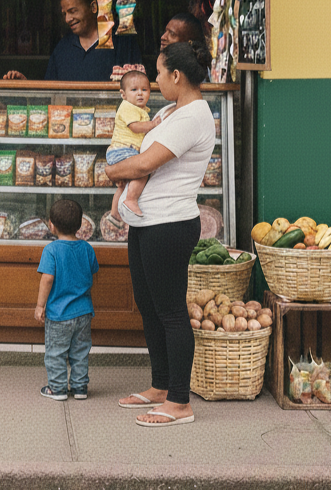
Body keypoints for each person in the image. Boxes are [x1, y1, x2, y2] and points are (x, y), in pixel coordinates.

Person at [105, 41, 215, 427]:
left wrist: (112, 171)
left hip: (169, 224)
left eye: (159, 73)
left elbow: (144, 163)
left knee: (170, 311)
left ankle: (180, 402)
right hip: (147, 222)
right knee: (149, 306)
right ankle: (160, 386)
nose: (155, 80)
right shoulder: (170, 111)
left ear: (177, 76)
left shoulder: (193, 117)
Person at [35, 199, 99, 401]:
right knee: (80, 352)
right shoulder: (87, 248)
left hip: (59, 314)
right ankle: (80, 388)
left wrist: (40, 305)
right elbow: (92, 274)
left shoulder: (51, 250)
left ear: (51, 225)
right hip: (83, 312)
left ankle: (57, 388)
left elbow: (47, 279)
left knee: (56, 352)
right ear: (80, 225)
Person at [3, 0, 142, 81]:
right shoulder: (62, 48)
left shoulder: (122, 41)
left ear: (93, 7)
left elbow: (138, 88)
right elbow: (49, 93)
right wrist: (26, 86)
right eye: (64, 14)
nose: (67, 19)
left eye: (73, 11)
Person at [106, 70, 161, 224]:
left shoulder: (139, 109)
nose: (140, 93)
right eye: (134, 90)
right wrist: (153, 124)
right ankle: (131, 199)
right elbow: (135, 127)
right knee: (142, 172)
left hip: (123, 151)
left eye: (144, 89)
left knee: (122, 186)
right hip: (123, 150)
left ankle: (114, 214)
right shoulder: (127, 107)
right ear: (123, 94)